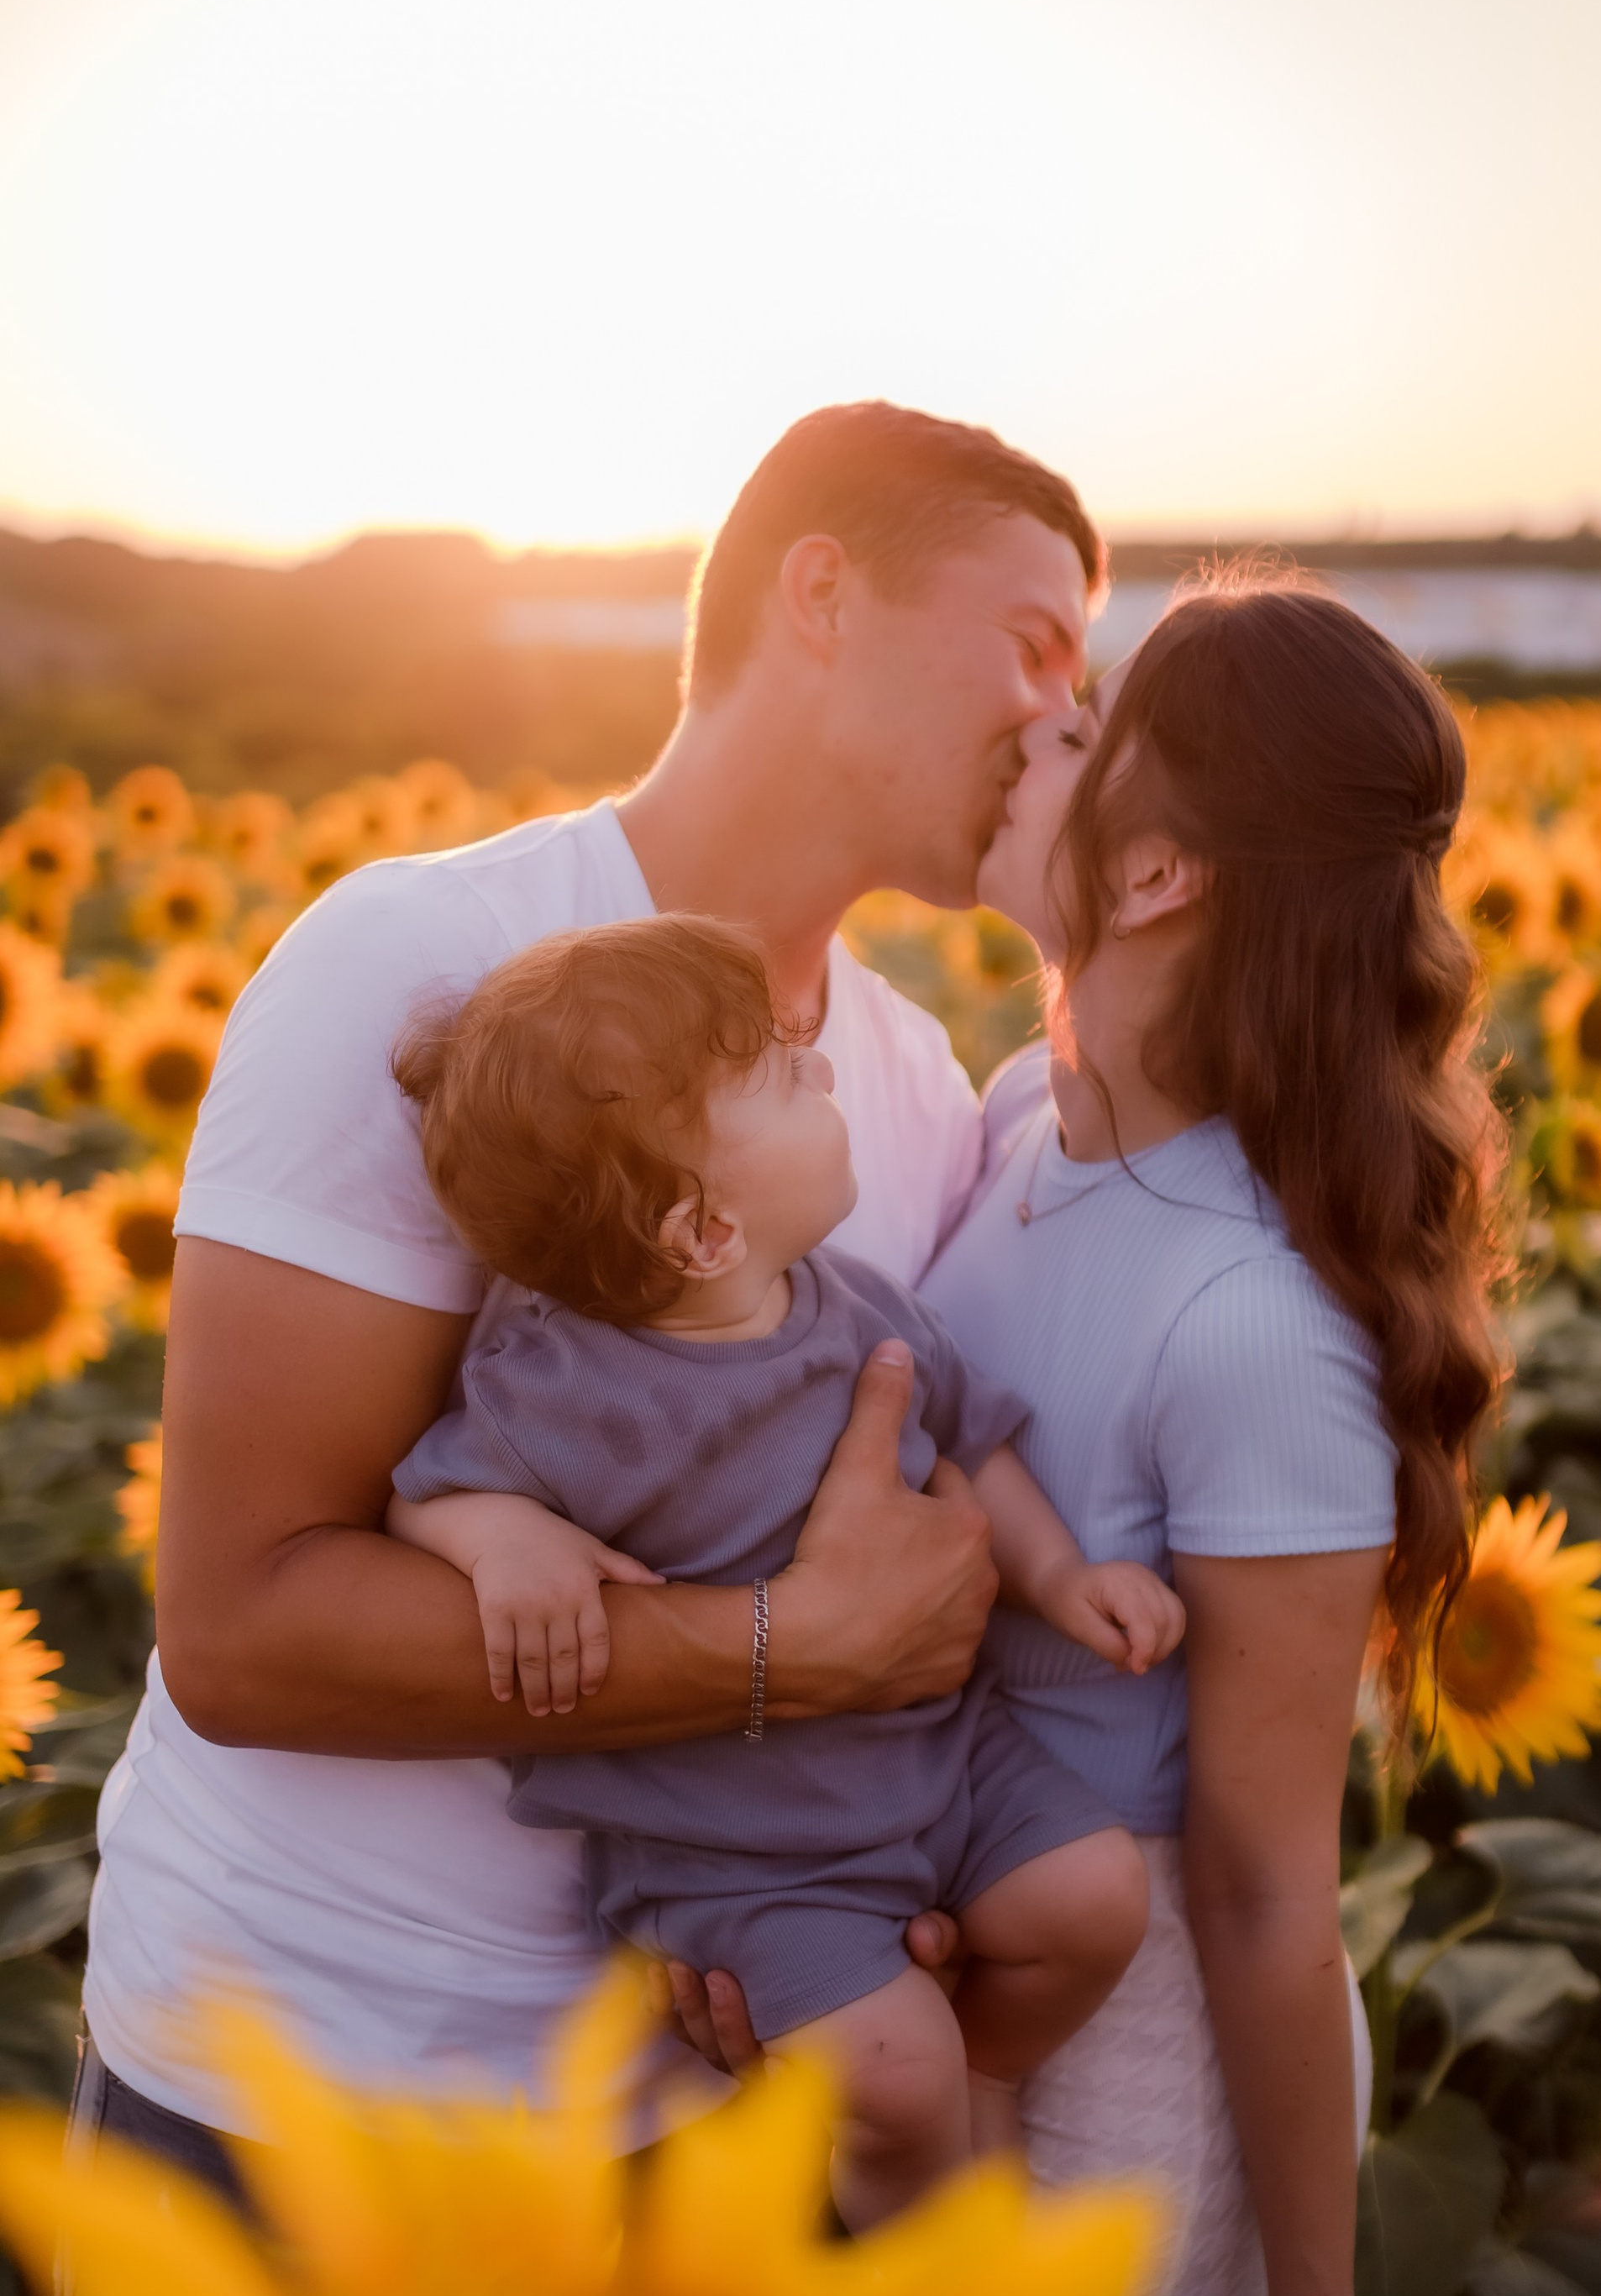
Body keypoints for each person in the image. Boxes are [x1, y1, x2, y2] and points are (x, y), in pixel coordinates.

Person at [76, 402, 1100, 2185]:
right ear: (821, 594)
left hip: (684, 2111)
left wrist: (886, 1900)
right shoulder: (424, 966)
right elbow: (241, 1629)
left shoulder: (914, 1090)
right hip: (307, 2088)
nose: (1062, 717)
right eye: (1033, 644)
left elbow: (868, 1509)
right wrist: (789, 1659)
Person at [697, 579, 1499, 2296]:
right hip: (937, 1956)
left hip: (1111, 2039)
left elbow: (1261, 1886)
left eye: (1072, 727)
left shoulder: (1249, 1322)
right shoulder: (1009, 1115)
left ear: (1152, 869)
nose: (1017, 735)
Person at [382, 911, 1163, 2227]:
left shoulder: (854, 1304)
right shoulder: (564, 1389)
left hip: (941, 1757)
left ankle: (989, 2072)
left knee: (1095, 1900)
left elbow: (972, 1439)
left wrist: (1061, 1577)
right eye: (787, 1079)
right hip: (741, 1852)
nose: (828, 1073)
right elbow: (433, 1494)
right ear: (700, 1230)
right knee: (889, 2077)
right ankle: (919, 2241)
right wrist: (503, 1539)